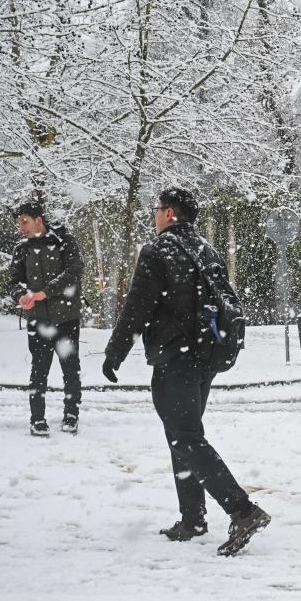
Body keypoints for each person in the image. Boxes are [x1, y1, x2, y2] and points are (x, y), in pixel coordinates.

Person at [103, 188, 269, 556]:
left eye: (159, 208)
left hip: (174, 357)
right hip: (205, 358)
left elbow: (137, 307)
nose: (155, 214)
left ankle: (242, 510)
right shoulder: (206, 250)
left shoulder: (158, 250)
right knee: (184, 434)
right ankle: (192, 518)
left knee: (185, 437)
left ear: (171, 214)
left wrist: (115, 352)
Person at [7, 201, 84, 437]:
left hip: (66, 319)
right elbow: (13, 282)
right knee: (38, 370)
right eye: (19, 223)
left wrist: (44, 292)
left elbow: (74, 273)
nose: (21, 227)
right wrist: (21, 296)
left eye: (25, 222)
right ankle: (37, 419)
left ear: (38, 219)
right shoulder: (21, 249)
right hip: (37, 321)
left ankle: (71, 415)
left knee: (70, 369)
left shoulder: (64, 241)